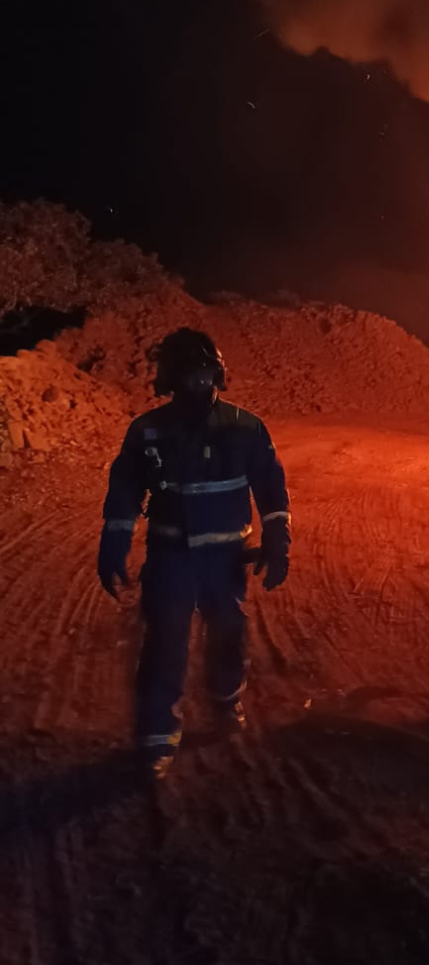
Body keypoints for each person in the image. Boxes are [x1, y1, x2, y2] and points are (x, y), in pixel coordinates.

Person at [97, 328, 291, 778]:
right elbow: (124, 494)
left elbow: (271, 488)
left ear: (219, 375)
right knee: (165, 643)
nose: (198, 385)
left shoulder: (246, 428)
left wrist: (278, 542)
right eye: (189, 377)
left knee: (229, 633)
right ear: (170, 381)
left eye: (205, 375)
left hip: (226, 561)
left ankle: (226, 700)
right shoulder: (147, 433)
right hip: (172, 559)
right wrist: (113, 546)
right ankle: (157, 735)